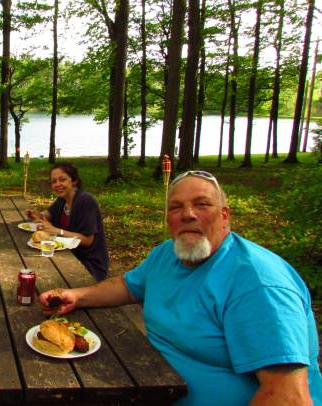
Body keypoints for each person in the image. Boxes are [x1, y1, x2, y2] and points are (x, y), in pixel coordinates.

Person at [39, 170, 322, 405]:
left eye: (202, 204)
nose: (187, 214)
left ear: (225, 216)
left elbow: (289, 397)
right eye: (176, 207)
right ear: (168, 220)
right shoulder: (167, 254)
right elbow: (127, 286)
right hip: (143, 386)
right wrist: (76, 295)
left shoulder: (258, 284)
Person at [26, 162, 109, 281]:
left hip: (88, 264)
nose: (57, 184)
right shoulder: (62, 200)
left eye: (62, 179)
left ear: (74, 181)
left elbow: (87, 240)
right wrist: (37, 215)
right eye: (54, 181)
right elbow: (48, 215)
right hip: (66, 255)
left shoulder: (85, 201)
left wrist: (57, 231)